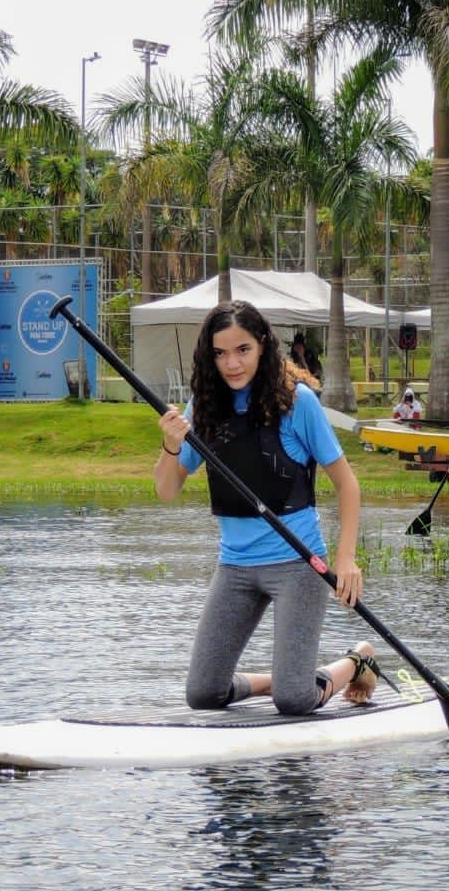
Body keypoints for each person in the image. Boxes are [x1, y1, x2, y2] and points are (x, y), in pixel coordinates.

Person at [155, 300, 374, 717]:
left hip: (298, 565)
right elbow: (167, 490)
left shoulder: (297, 403)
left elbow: (347, 484)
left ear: (262, 346)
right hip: (235, 566)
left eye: (242, 350)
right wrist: (171, 445)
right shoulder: (203, 407)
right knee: (203, 694)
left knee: (294, 702)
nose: (231, 364)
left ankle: (358, 660)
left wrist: (346, 560)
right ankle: (290, 675)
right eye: (220, 353)